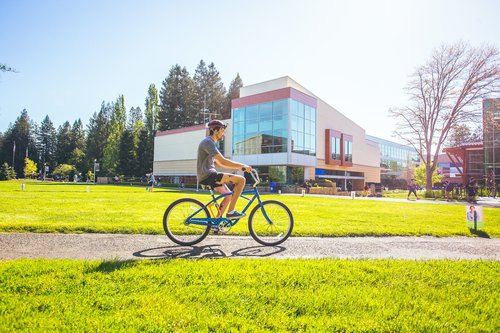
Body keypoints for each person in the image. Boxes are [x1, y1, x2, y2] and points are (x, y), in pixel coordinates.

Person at [197, 119, 252, 220]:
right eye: (222, 131)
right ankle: (231, 212)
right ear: (215, 130)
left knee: (228, 196)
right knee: (241, 180)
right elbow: (222, 161)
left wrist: (240, 167)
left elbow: (221, 163)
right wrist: (242, 166)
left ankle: (216, 222)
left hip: (208, 175)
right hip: (208, 175)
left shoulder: (211, 143)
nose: (224, 134)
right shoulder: (208, 142)